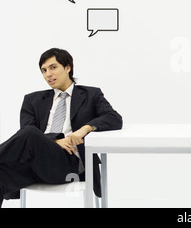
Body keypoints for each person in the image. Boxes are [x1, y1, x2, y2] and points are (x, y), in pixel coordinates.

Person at [0, 48, 122, 207]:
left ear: (67, 67)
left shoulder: (91, 95)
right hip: (36, 164)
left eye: (53, 67)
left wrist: (85, 128)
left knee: (30, 134)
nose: (48, 74)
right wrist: (55, 141)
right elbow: (26, 135)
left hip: (71, 165)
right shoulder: (32, 100)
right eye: (43, 70)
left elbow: (114, 118)